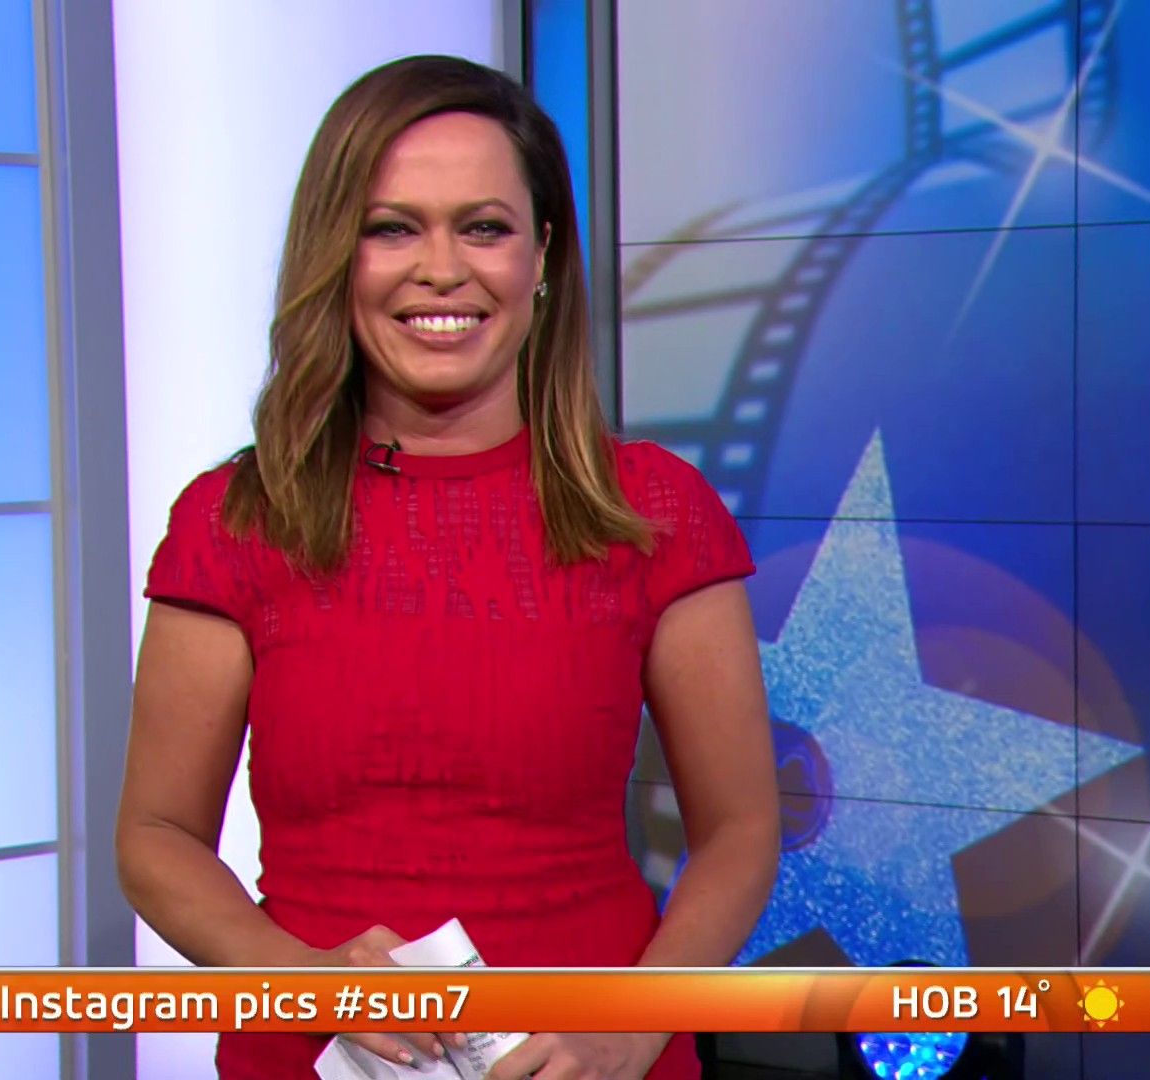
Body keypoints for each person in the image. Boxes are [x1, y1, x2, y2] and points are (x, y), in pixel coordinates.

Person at [116, 54, 780, 1080]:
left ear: (542, 253)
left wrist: (632, 1029)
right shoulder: (237, 520)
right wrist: (301, 978)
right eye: (392, 228)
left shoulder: (654, 511)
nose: (441, 270)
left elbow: (739, 830)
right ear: (337, 256)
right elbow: (157, 834)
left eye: (484, 227)